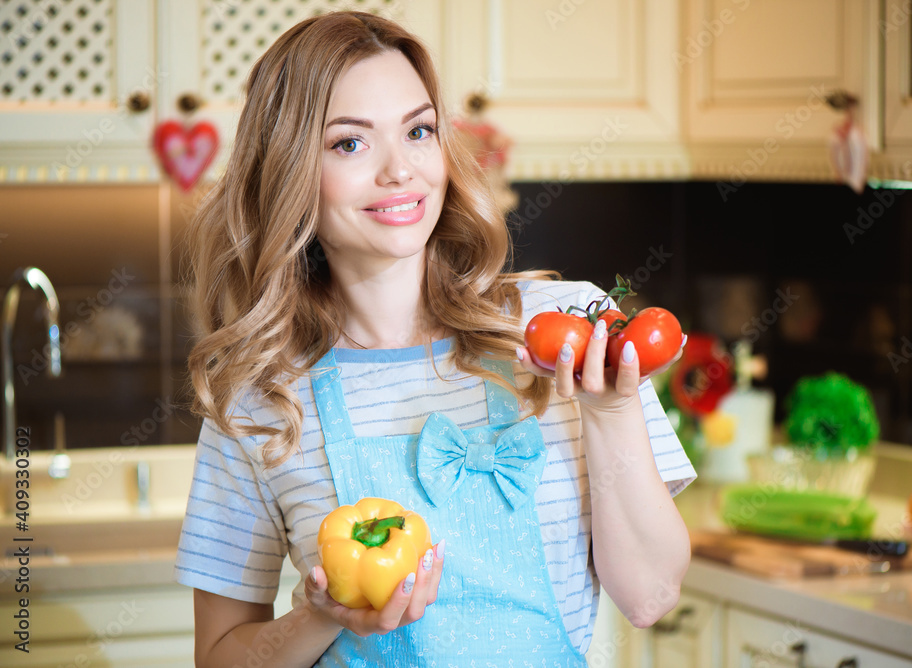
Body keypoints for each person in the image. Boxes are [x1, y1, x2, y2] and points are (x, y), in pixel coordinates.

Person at [174, 10, 695, 668]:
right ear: (288, 171)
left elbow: (650, 596)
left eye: (418, 131)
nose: (402, 171)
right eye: (349, 144)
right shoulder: (260, 397)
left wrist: (610, 410)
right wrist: (321, 616)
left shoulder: (567, 332)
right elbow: (220, 657)